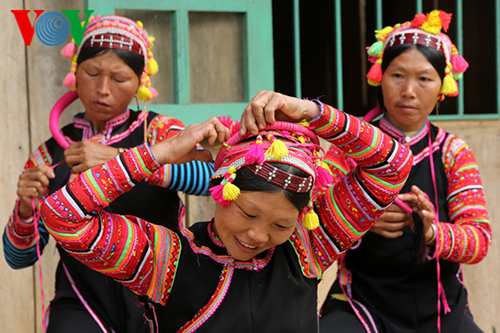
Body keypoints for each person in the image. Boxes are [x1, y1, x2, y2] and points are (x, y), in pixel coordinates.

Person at [39, 90, 412, 332]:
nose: (259, 236)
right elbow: (60, 216)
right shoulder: (165, 260)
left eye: (281, 224)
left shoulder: (308, 246)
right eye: (249, 214)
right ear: (221, 190)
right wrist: (162, 153)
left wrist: (313, 112)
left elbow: (393, 165)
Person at [3, 15, 213, 333]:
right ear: (75, 73)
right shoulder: (49, 154)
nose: (103, 89)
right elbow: (18, 259)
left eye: (119, 79)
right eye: (92, 73)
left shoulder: (159, 132)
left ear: (141, 81)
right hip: (82, 302)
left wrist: (119, 159)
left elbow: (213, 179)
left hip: (161, 290)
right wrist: (25, 209)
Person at [319, 10, 492, 333]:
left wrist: (430, 232)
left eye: (424, 78)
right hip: (361, 304)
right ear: (379, 76)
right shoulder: (349, 146)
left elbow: (478, 240)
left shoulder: (453, 151)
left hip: (441, 308)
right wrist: (360, 219)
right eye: (397, 75)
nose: (409, 90)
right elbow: (313, 213)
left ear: (443, 86)